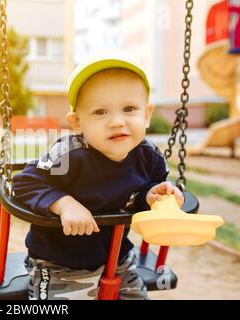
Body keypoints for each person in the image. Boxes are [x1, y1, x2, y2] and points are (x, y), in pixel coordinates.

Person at [12, 53, 185, 300]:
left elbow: (143, 189)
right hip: (60, 261)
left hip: (118, 256)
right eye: (100, 112)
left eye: (129, 109)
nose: (116, 121)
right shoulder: (69, 155)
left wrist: (153, 195)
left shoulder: (149, 156)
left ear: (146, 114)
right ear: (77, 122)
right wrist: (65, 204)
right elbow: (26, 182)